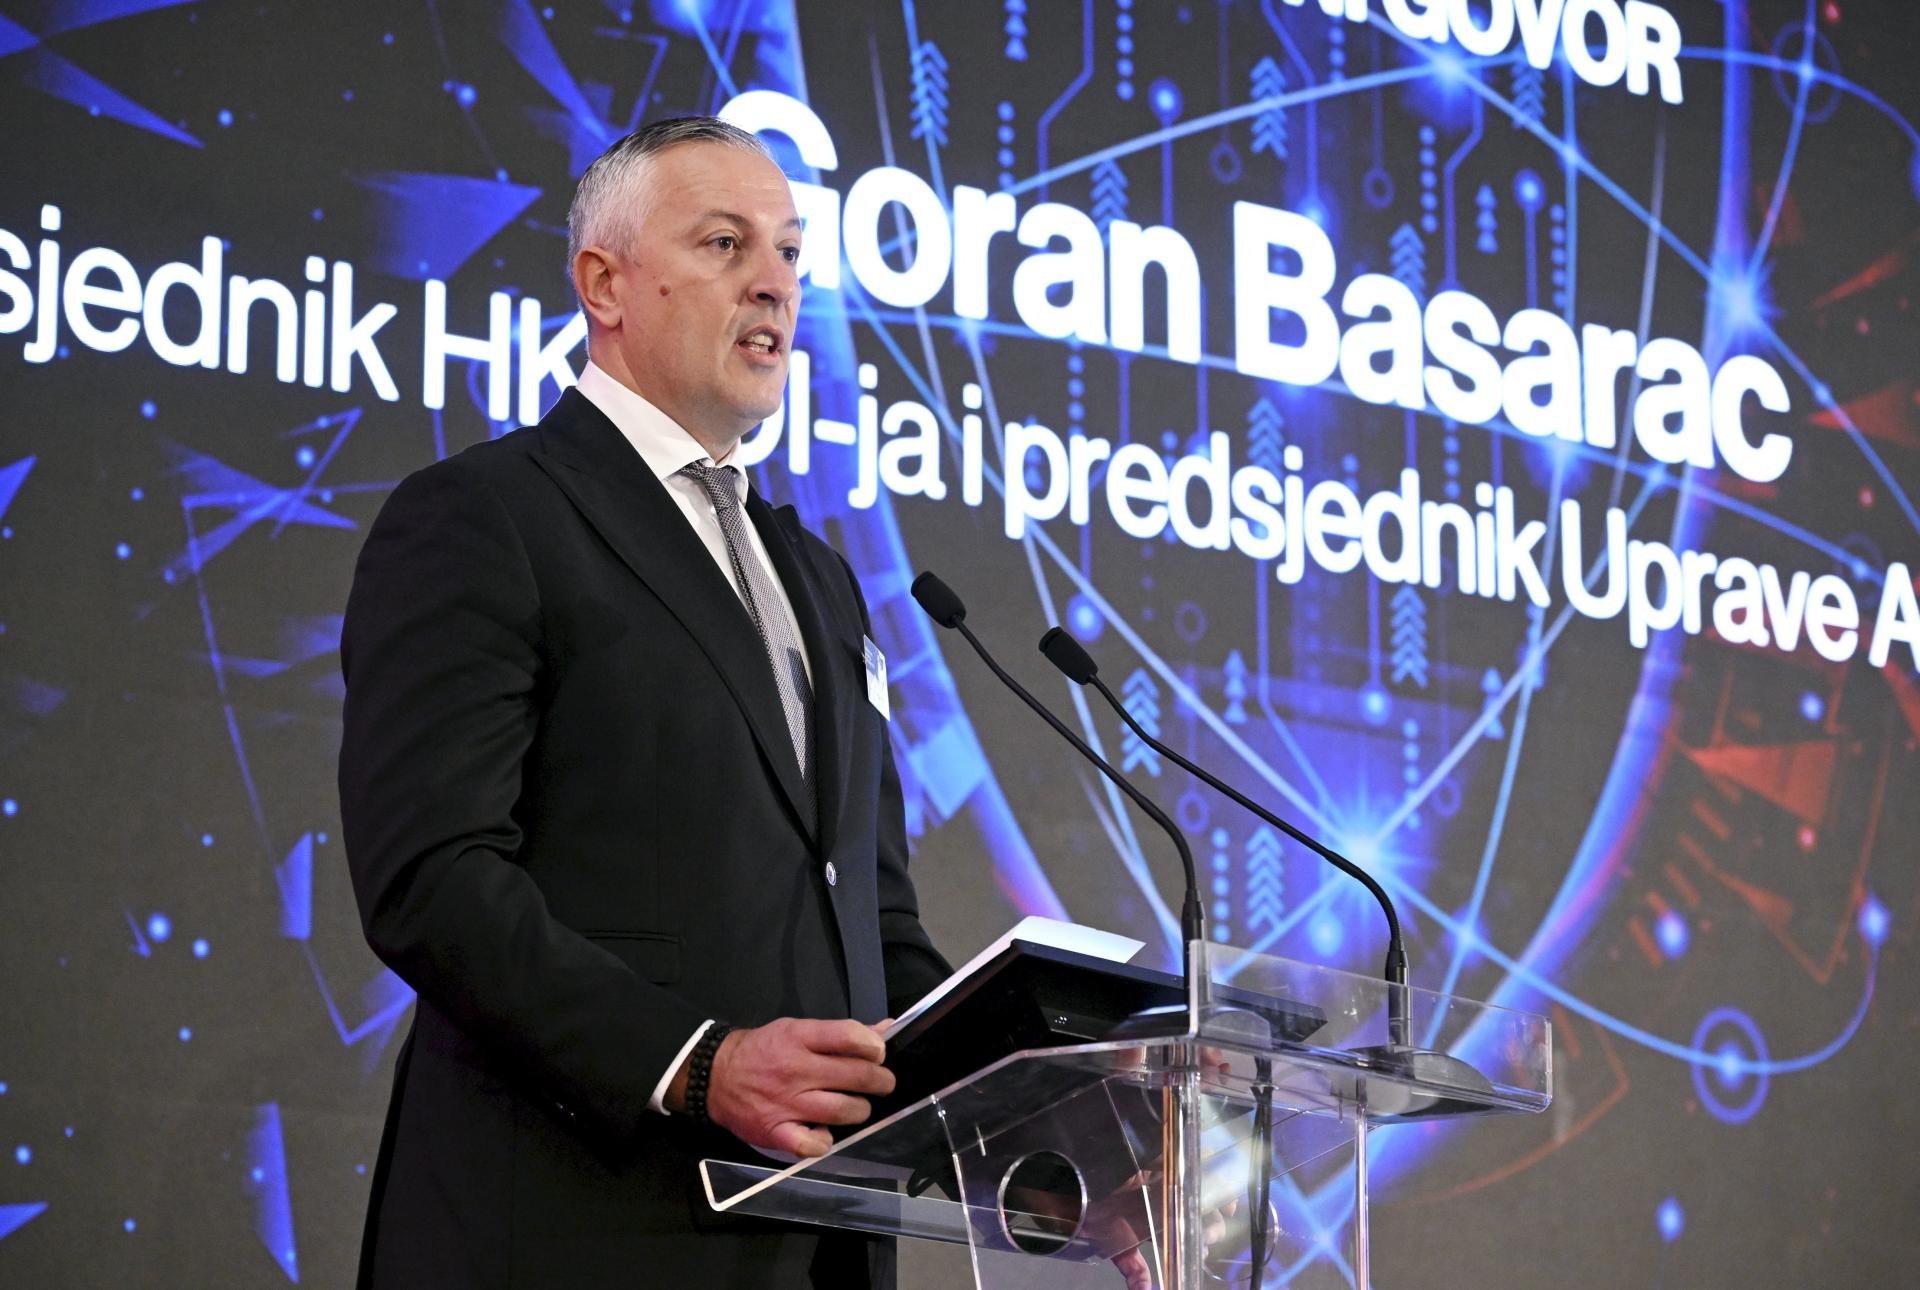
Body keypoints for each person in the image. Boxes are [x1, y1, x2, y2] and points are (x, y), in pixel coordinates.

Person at [337, 117, 951, 1289]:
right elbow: (432, 878)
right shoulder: (488, 516)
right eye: (725, 244)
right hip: (572, 1230)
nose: (774, 282)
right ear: (603, 284)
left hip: (815, 1250)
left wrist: (1046, 1138)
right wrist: (697, 1061)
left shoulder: (818, 581)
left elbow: (872, 924)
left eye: (789, 251)